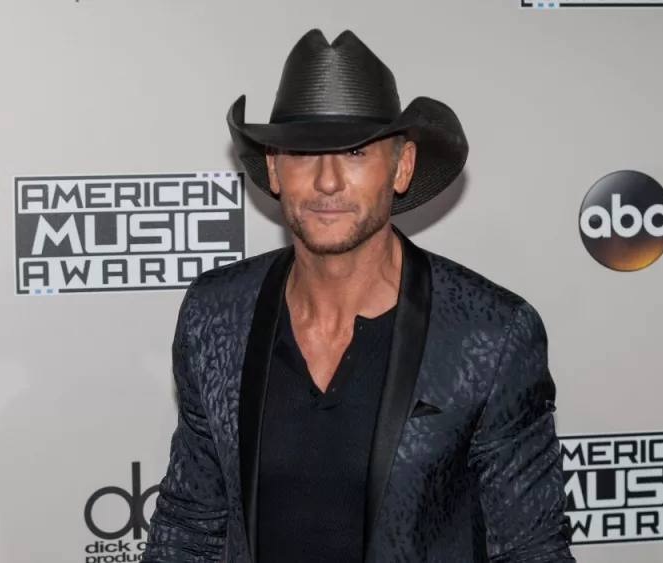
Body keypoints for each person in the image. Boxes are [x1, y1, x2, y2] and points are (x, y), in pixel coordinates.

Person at [142, 28, 575, 563]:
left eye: (353, 151)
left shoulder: (489, 333)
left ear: (403, 166)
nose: (327, 182)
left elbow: (532, 550)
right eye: (303, 154)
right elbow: (188, 526)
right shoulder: (215, 313)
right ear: (274, 170)